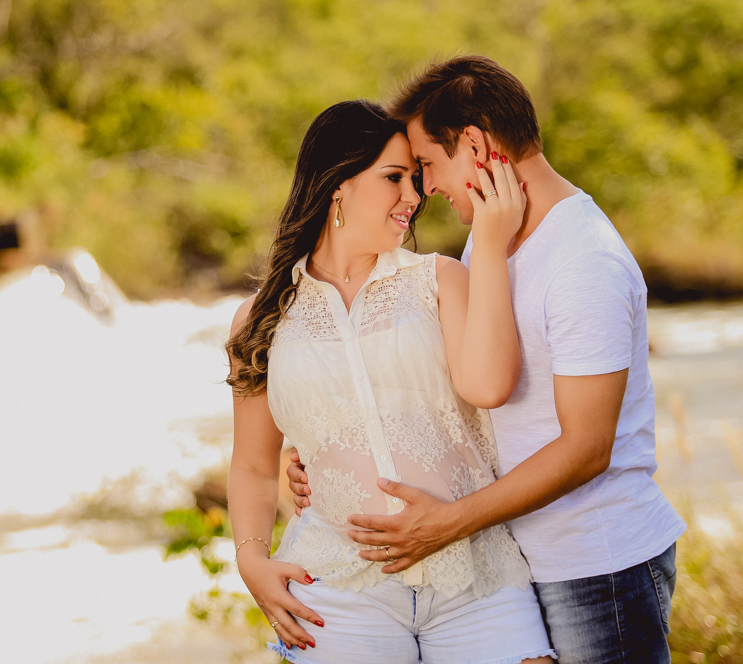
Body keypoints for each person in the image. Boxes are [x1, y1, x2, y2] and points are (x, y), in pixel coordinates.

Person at [287, 56, 687, 664]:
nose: (424, 189)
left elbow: (587, 448)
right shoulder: (493, 233)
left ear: (475, 144)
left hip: (595, 564)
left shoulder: (582, 261)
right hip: (520, 559)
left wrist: (449, 523)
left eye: (427, 164)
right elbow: (453, 378)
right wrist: (325, 447)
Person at [226, 99, 556, 664]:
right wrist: (251, 560)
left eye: (417, 177)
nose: (415, 195)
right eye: (394, 178)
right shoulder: (261, 318)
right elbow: (255, 464)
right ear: (338, 184)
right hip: (339, 585)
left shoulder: (441, 281)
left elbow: (490, 386)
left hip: (473, 573)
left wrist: (494, 246)